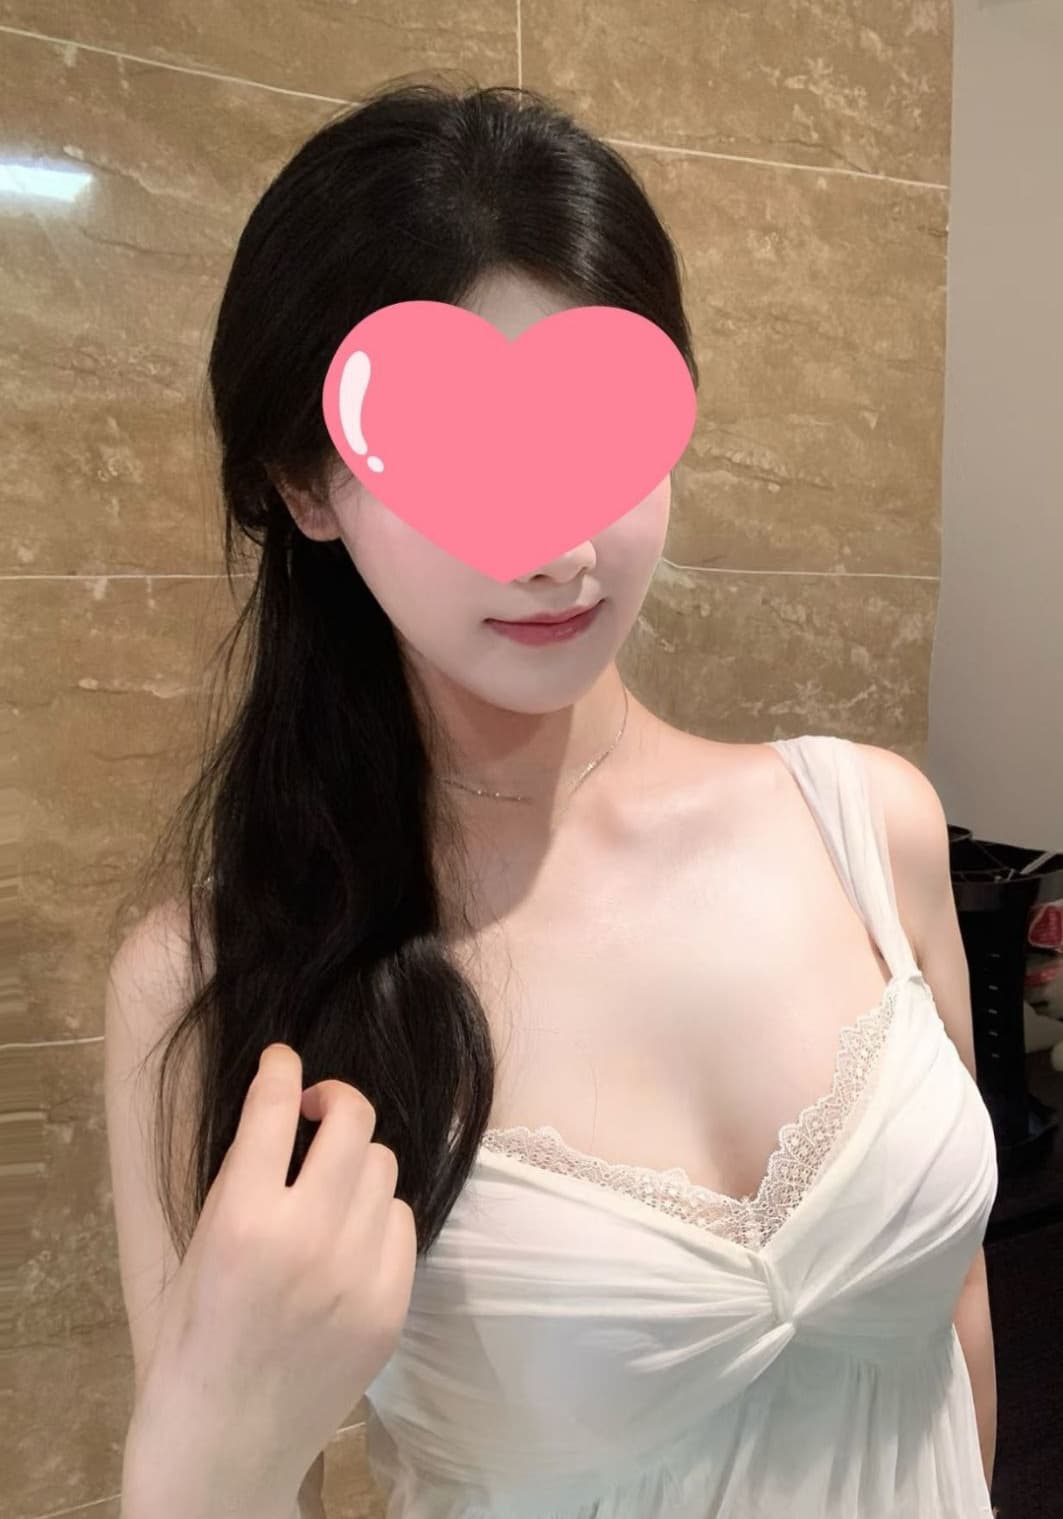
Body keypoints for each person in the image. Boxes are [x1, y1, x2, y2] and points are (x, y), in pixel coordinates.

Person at [104, 79, 999, 1519]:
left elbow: (951, 1319)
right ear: (308, 486)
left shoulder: (868, 827)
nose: (558, 548)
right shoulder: (216, 981)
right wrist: (212, 1448)